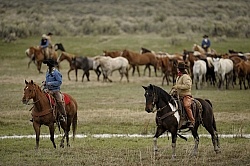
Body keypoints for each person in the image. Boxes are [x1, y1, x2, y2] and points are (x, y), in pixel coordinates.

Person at [43, 59, 67, 123]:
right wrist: (45, 82)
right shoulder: (48, 72)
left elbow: (59, 82)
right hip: (48, 90)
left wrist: (50, 83)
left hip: (55, 90)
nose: (47, 66)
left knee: (59, 101)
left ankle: (63, 115)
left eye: (48, 65)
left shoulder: (56, 73)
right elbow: (47, 80)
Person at [172, 62, 195, 128]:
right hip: (178, 95)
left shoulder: (185, 77)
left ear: (179, 69)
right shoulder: (179, 77)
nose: (177, 70)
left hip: (186, 95)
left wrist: (177, 86)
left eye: (177, 68)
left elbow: (188, 86)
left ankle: (192, 121)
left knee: (186, 105)